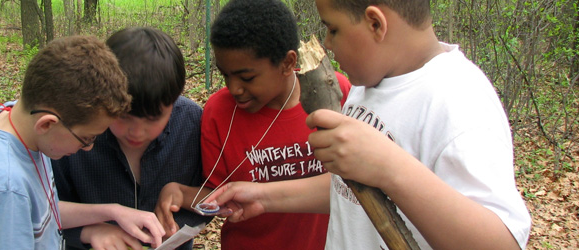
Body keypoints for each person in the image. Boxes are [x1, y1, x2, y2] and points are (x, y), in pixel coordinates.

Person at [204, 0, 533, 249]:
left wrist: (389, 166)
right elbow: (349, 191)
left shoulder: (457, 98)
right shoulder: (368, 86)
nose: (327, 43)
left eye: (333, 30)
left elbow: (501, 241)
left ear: (376, 23)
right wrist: (264, 197)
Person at [154, 0, 351, 249]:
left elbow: (350, 186)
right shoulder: (219, 113)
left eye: (247, 77)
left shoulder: (333, 94)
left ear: (288, 63)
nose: (234, 88)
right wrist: (181, 193)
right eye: (226, 75)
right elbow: (221, 196)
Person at [0, 35, 166, 249]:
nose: (89, 147)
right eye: (85, 139)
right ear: (47, 124)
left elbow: (41, 209)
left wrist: (113, 212)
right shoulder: (5, 189)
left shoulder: (10, 118)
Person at [51, 27, 211, 250]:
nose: (136, 132)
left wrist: (175, 227)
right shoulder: (75, 133)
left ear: (173, 102)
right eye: (123, 116)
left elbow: (213, 195)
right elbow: (42, 213)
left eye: (153, 118)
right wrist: (86, 233)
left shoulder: (192, 125)